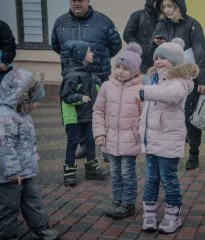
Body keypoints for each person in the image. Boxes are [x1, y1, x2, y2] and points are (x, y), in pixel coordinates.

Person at [139, 38, 199, 233]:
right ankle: (149, 213)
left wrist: (143, 92)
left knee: (168, 178)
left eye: (164, 58)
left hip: (168, 139)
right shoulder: (155, 79)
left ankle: (173, 214)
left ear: (175, 62)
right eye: (157, 57)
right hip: (151, 139)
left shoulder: (180, 82)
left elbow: (170, 95)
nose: (159, 61)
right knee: (150, 178)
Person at [51, 0, 122, 159]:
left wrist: (98, 59)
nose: (77, 3)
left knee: (104, 113)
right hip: (73, 79)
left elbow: (115, 45)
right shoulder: (60, 23)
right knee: (78, 114)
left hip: (98, 77)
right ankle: (84, 146)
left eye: (81, 0)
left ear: (88, 1)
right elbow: (56, 46)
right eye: (73, 0)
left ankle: (106, 148)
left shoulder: (104, 21)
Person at [0, 69, 60, 240]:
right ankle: (8, 235)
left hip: (24, 172)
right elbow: (4, 147)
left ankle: (40, 227)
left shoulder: (23, 114)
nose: (37, 104)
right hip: (10, 176)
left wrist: (34, 155)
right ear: (21, 97)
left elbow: (26, 140)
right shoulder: (6, 117)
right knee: (9, 207)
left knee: (32, 200)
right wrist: (12, 172)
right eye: (33, 100)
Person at [151, 0, 205, 170]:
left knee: (190, 116)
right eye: (164, 7)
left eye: (170, 6)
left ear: (178, 7)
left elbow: (201, 50)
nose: (166, 10)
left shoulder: (192, 24)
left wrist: (202, 79)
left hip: (188, 77)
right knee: (168, 115)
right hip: (166, 78)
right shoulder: (161, 24)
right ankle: (169, 153)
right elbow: (152, 51)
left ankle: (194, 153)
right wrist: (157, 44)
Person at [92, 43, 143, 219]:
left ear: (135, 71)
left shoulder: (141, 89)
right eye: (118, 67)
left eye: (125, 68)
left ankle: (128, 204)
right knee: (115, 172)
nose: (120, 71)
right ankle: (117, 200)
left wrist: (140, 135)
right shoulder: (107, 86)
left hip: (130, 139)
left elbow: (145, 116)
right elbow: (98, 111)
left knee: (127, 172)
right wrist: (99, 133)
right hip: (110, 138)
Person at [61, 40, 109, 187]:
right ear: (80, 54)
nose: (92, 53)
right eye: (89, 51)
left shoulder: (89, 72)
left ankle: (91, 169)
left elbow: (97, 91)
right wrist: (80, 98)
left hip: (89, 115)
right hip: (74, 116)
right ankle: (69, 172)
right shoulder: (72, 75)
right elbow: (66, 96)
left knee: (90, 141)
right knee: (73, 142)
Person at [123, 0, 159, 84]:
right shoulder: (138, 15)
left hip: (158, 66)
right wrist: (141, 50)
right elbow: (127, 34)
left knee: (155, 95)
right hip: (141, 67)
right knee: (141, 94)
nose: (159, 4)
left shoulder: (163, 19)